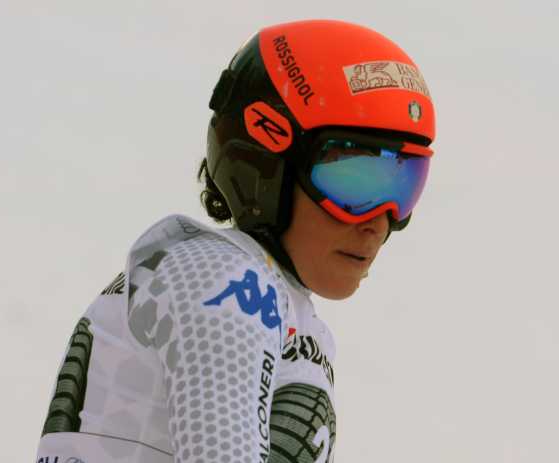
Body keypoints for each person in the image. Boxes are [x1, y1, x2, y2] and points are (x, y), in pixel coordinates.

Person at [36, 18, 435, 463]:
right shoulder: (223, 281)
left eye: (404, 187)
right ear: (266, 165)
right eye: (355, 182)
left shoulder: (277, 303)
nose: (379, 222)